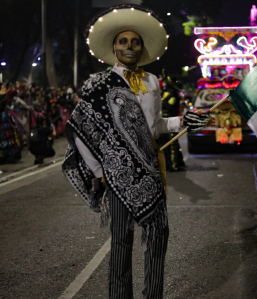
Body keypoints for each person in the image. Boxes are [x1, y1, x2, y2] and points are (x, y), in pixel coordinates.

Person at [62, 5, 211, 299]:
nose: (129, 46)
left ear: (142, 47)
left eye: (135, 42)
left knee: (158, 236)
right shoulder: (98, 85)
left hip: (151, 169)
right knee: (122, 240)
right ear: (114, 48)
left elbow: (154, 126)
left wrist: (184, 121)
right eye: (123, 42)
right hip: (118, 174)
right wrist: (100, 171)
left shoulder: (153, 81)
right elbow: (80, 132)